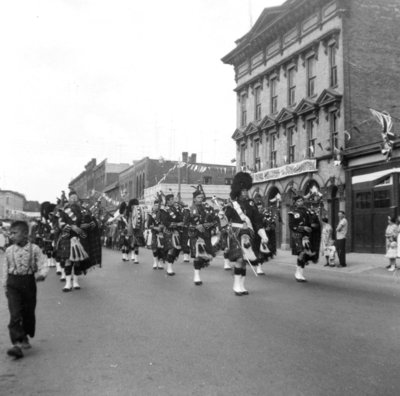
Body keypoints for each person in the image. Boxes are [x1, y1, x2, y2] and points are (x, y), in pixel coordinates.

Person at [3, 221, 49, 359]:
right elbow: (5, 269)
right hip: (13, 283)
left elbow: (43, 263)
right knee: (15, 313)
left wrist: (42, 274)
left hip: (28, 283)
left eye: (14, 233)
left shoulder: (34, 249)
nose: (11, 236)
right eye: (10, 233)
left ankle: (25, 336)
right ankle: (16, 344)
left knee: (28, 313)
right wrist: (5, 286)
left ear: (25, 234)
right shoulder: (9, 250)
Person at [223, 172, 268, 295]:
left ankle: (242, 285)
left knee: (244, 261)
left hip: (248, 235)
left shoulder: (251, 206)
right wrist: (223, 217)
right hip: (236, 234)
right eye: (242, 191)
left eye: (246, 190)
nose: (245, 193)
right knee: (239, 259)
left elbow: (257, 222)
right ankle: (236, 285)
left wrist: (263, 235)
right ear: (237, 191)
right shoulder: (232, 205)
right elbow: (224, 221)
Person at [187, 187, 218, 285]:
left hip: (206, 234)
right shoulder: (189, 209)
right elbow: (185, 224)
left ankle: (198, 271)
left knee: (206, 255)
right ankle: (196, 276)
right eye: (199, 197)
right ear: (194, 199)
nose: (201, 199)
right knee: (197, 255)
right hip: (196, 235)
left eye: (202, 197)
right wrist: (196, 226)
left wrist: (211, 224)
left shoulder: (207, 208)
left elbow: (214, 220)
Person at [288, 195, 314, 282]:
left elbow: (311, 223)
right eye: (299, 201)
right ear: (295, 202)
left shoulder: (307, 211)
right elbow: (291, 226)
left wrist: (311, 227)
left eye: (302, 200)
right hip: (297, 235)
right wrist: (303, 228)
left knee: (305, 254)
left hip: (306, 235)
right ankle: (298, 273)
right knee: (301, 252)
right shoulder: (292, 212)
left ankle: (300, 272)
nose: (301, 202)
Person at [160, 193, 184, 276]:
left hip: (176, 232)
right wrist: (177, 224)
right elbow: (165, 222)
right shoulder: (164, 210)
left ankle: (169, 263)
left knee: (176, 249)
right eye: (172, 199)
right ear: (168, 201)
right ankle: (169, 268)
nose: (174, 201)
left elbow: (180, 218)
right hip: (168, 231)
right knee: (171, 248)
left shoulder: (176, 209)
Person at [146, 200, 165, 269]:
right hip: (154, 233)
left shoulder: (163, 213)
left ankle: (159, 262)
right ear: (154, 205)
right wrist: (155, 227)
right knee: (154, 248)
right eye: (156, 205)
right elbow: (148, 225)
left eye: (158, 205)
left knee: (161, 249)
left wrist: (162, 227)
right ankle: (155, 262)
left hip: (162, 233)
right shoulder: (150, 214)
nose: (157, 206)